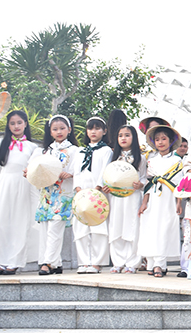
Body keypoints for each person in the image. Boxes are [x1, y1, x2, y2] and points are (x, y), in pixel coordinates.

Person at [0, 110, 39, 275]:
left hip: (23, 185)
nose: (16, 126)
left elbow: (36, 168)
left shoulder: (33, 147)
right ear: (8, 126)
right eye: (12, 123)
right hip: (5, 185)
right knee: (0, 223)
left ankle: (14, 262)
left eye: (19, 122)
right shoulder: (2, 142)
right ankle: (0, 261)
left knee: (19, 223)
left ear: (25, 124)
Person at [34, 115, 80, 276]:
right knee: (45, 230)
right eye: (55, 129)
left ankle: (47, 263)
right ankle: (56, 263)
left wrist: (70, 174)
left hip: (64, 195)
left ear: (69, 129)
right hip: (47, 194)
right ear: (50, 132)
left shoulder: (75, 150)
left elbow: (78, 170)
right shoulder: (45, 151)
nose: (59, 132)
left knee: (55, 229)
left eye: (62, 128)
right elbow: (35, 168)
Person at [138, 125, 185, 278]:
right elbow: (148, 183)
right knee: (152, 229)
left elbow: (179, 184)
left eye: (164, 139)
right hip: (153, 199)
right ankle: (152, 263)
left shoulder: (177, 160)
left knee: (164, 229)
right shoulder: (151, 160)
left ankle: (160, 264)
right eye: (157, 139)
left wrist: (178, 203)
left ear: (171, 141)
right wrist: (144, 203)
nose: (160, 142)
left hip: (168, 198)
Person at [71, 116, 113, 273]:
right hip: (81, 194)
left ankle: (97, 262)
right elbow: (77, 171)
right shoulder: (81, 151)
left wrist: (98, 187)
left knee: (98, 228)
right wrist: (78, 189)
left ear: (104, 131)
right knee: (80, 228)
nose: (93, 131)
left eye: (97, 128)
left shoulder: (106, 150)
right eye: (90, 128)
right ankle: (83, 261)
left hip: (98, 194)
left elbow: (105, 170)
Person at [107, 125, 147, 274]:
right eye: (120, 135)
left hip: (133, 197)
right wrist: (107, 187)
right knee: (116, 226)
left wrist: (140, 184)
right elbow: (108, 177)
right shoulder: (113, 158)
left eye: (127, 135)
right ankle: (117, 262)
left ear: (134, 138)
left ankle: (132, 263)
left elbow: (144, 177)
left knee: (132, 227)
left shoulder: (140, 158)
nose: (123, 138)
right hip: (116, 197)